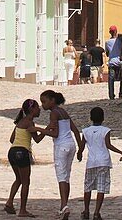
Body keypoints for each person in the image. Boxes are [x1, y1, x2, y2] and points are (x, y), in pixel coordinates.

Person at [78, 104, 122, 220]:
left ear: (90, 118)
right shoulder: (105, 130)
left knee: (87, 187)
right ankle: (96, 212)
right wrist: (121, 152)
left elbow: (82, 146)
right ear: (103, 118)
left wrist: (79, 154)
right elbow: (108, 145)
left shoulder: (86, 131)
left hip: (91, 162)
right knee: (101, 187)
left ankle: (86, 210)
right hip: (103, 161)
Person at [40, 89, 82, 219]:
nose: (43, 105)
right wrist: (80, 149)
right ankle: (63, 205)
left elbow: (55, 133)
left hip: (61, 146)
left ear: (52, 100)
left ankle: (64, 206)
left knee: (61, 177)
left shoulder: (53, 113)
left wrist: (38, 129)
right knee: (67, 176)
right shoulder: (63, 112)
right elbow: (75, 130)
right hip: (71, 145)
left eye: (44, 101)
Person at [5, 98, 45, 217]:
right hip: (22, 152)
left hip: (12, 152)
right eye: (37, 107)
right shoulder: (29, 122)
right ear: (32, 109)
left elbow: (12, 139)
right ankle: (22, 210)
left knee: (18, 179)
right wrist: (46, 130)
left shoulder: (19, 122)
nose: (39, 109)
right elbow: (37, 139)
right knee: (26, 182)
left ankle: (9, 202)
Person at [105, 26, 122, 101]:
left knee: (111, 80)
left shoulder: (107, 42)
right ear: (116, 31)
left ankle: (111, 95)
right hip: (120, 62)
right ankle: (121, 93)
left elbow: (107, 54)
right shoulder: (120, 41)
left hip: (112, 62)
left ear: (110, 32)